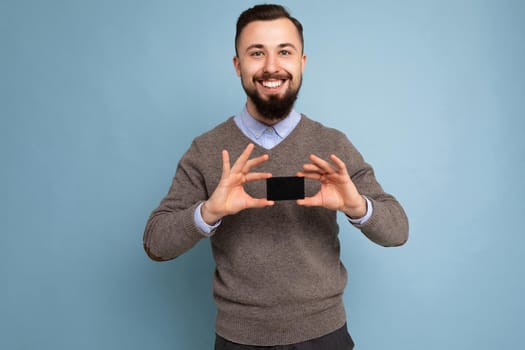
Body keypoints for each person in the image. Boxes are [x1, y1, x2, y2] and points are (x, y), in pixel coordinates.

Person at [143, 4, 408, 349]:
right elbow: (156, 243)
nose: (271, 66)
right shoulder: (206, 150)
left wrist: (357, 206)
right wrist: (209, 212)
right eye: (257, 53)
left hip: (325, 337)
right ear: (238, 65)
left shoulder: (333, 145)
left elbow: (397, 230)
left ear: (302, 62)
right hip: (238, 340)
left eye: (284, 51)